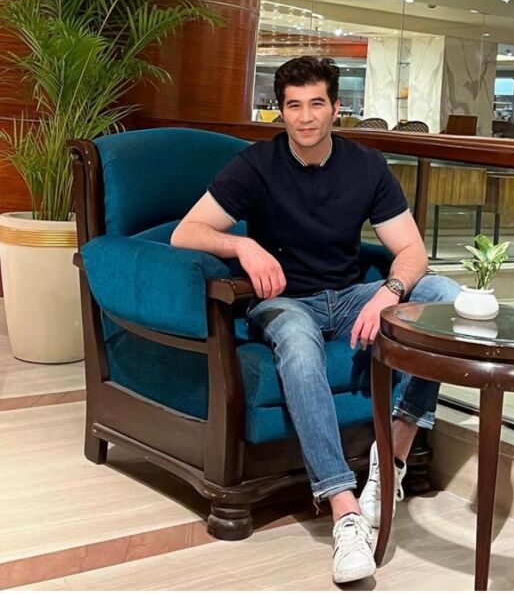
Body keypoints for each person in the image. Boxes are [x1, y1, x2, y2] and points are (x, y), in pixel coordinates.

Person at [171, 56, 460, 584]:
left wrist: (389, 292)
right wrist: (243, 245)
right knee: (300, 347)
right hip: (286, 301)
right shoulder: (256, 164)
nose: (305, 117)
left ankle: (392, 454)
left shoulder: (365, 166)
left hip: (350, 296)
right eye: (294, 106)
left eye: (316, 104)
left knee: (445, 297)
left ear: (336, 108)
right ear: (280, 111)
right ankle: (345, 511)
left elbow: (413, 252)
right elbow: (185, 232)